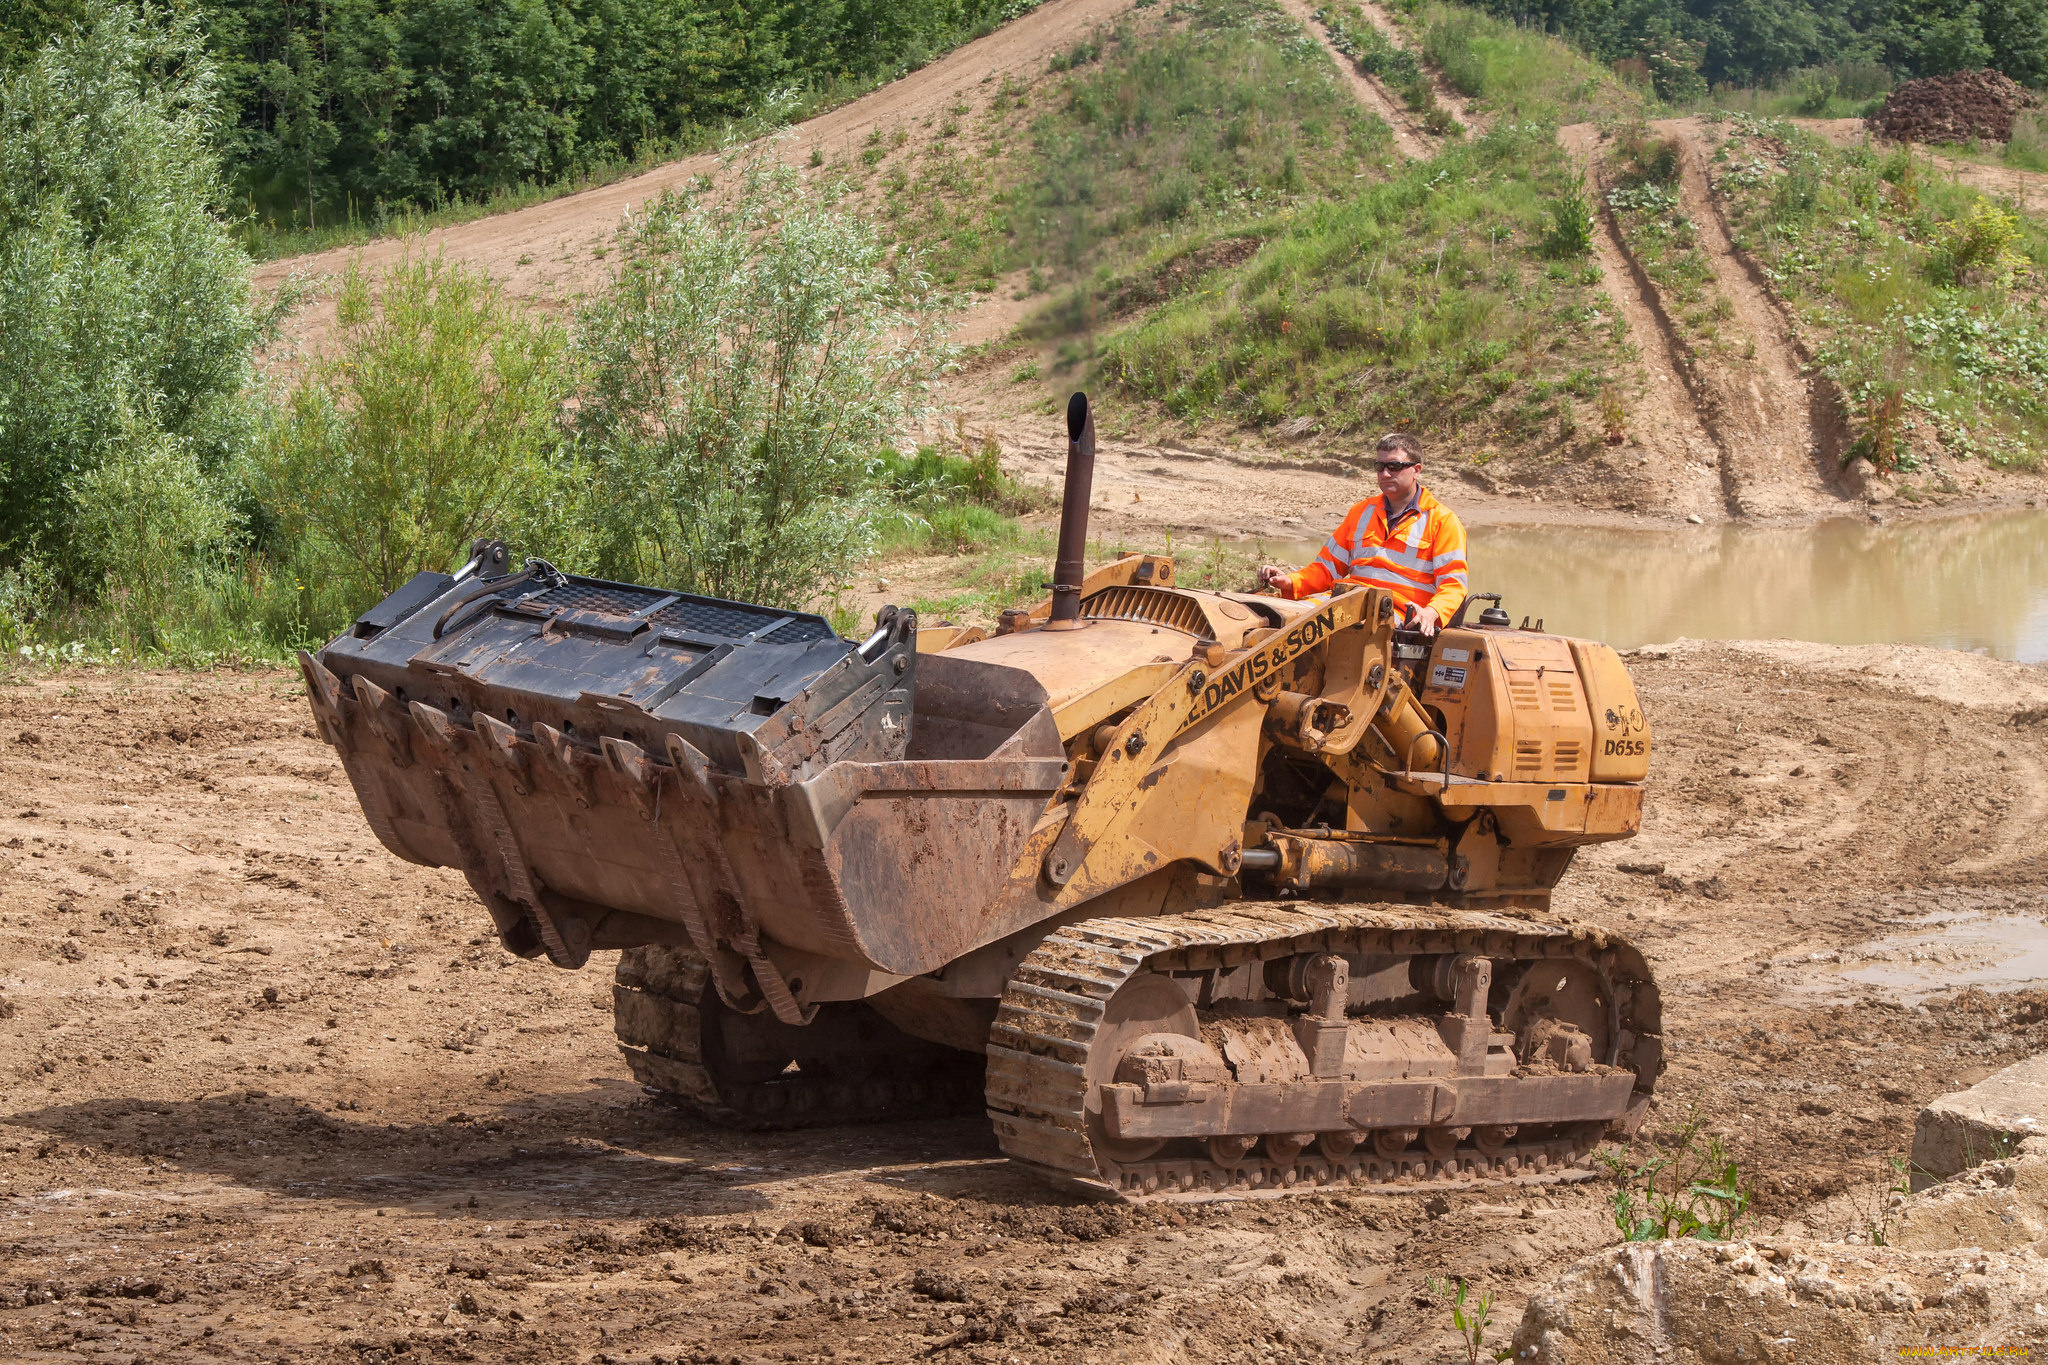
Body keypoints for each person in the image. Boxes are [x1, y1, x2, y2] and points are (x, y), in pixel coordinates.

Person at [1257, 433, 1467, 635]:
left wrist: (1432, 613)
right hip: (1346, 599)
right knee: (1285, 618)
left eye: (1394, 466)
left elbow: (1453, 585)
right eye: (1379, 466)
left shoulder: (1442, 521)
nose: (1385, 474)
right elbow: (1327, 568)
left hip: (1398, 612)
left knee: (1328, 628)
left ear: (1416, 470)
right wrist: (1290, 582)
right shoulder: (1361, 512)